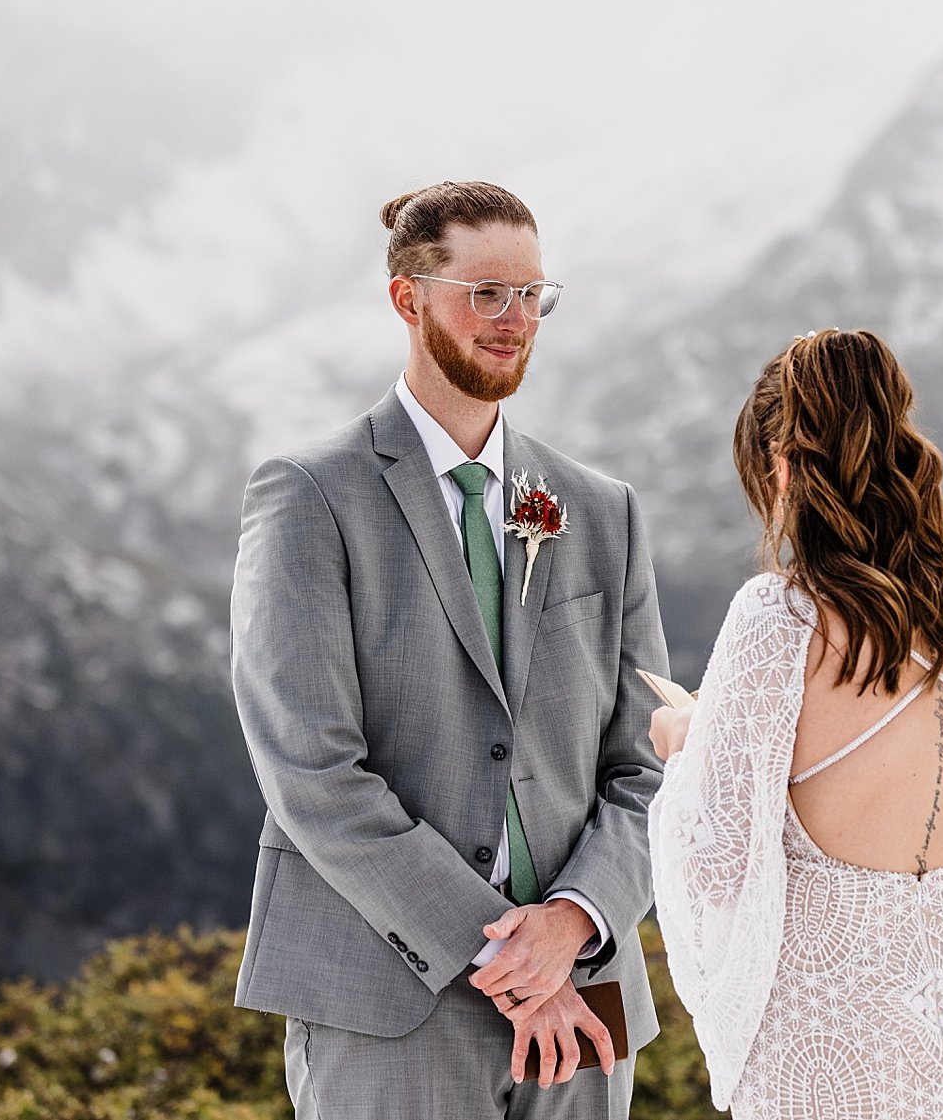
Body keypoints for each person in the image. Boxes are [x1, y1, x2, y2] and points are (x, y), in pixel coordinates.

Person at [229, 180, 667, 1119]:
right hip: (390, 1002)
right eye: (486, 293)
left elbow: (647, 765)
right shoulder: (309, 493)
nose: (515, 321)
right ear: (408, 298)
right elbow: (312, 771)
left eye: (533, 295)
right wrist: (506, 955)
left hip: (586, 1001)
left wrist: (572, 923)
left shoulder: (602, 510)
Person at [647, 329, 943, 1119]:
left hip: (826, 1027)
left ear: (780, 462)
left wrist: (683, 745)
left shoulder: (781, 619)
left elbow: (715, 861)